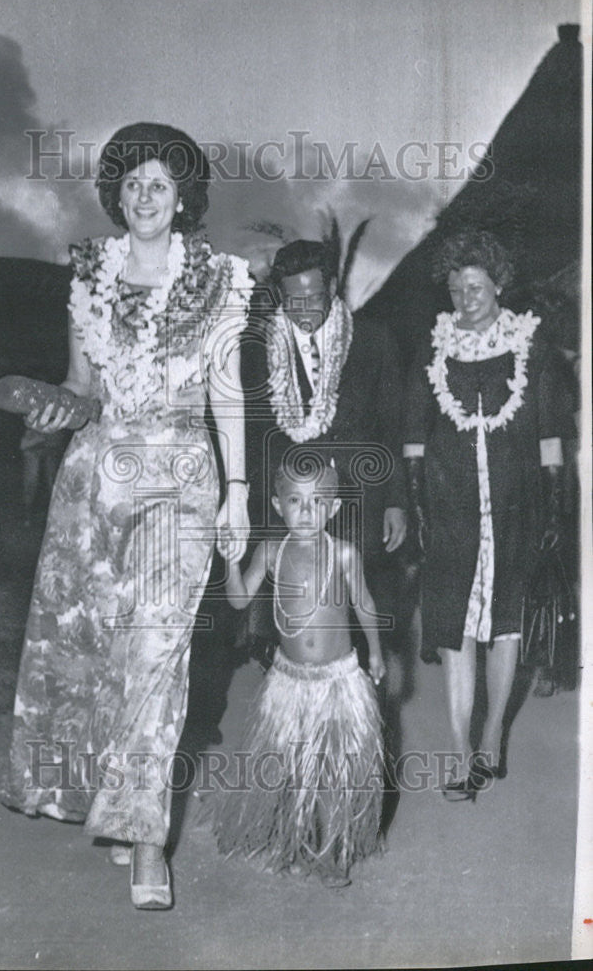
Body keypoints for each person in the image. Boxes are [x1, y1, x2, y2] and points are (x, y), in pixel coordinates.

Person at [0, 122, 252, 910]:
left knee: (157, 656)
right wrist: (53, 410)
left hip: (180, 479)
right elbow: (84, 388)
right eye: (133, 183)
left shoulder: (220, 281)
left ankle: (148, 844)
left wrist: (240, 492)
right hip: (94, 483)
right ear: (118, 196)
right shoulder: (90, 279)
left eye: (161, 185)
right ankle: (115, 809)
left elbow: (227, 395)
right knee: (102, 656)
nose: (145, 196)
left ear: (184, 201)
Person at [404, 230, 568, 800]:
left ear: (498, 285)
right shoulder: (432, 349)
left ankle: (494, 731)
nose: (465, 298)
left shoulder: (534, 348)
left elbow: (550, 436)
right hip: (451, 510)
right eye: (455, 289)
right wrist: (419, 501)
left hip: (515, 504)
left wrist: (553, 506)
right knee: (453, 628)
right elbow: (415, 439)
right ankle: (459, 753)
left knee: (504, 624)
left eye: (475, 287)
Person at [241, 240, 407, 740]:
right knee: (290, 645)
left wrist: (396, 499)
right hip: (289, 518)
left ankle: (362, 781)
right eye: (294, 299)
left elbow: (390, 429)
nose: (306, 309)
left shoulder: (374, 341)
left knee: (358, 643)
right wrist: (254, 516)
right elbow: (254, 441)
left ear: (332, 288)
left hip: (359, 507)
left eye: (315, 297)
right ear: (278, 297)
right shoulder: (257, 353)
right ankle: (298, 776)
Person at [211, 453, 385, 887]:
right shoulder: (271, 552)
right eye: (295, 500)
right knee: (289, 768)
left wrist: (377, 652)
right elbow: (237, 600)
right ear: (276, 504)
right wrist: (231, 561)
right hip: (288, 680)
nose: (306, 511)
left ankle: (332, 850)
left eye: (318, 501)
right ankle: (296, 837)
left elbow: (365, 604)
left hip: (339, 680)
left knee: (332, 769)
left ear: (335, 507)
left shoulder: (344, 555)